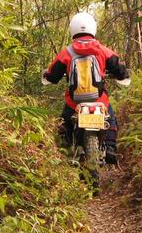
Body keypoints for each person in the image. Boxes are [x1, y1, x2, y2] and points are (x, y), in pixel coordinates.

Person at [41, 11, 131, 164]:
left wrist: (48, 77)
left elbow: (53, 75)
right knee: (111, 118)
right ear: (92, 28)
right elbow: (118, 67)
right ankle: (110, 147)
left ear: (73, 29)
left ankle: (66, 151)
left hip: (74, 104)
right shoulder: (102, 50)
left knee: (65, 121)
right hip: (99, 101)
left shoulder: (67, 52)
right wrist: (123, 76)